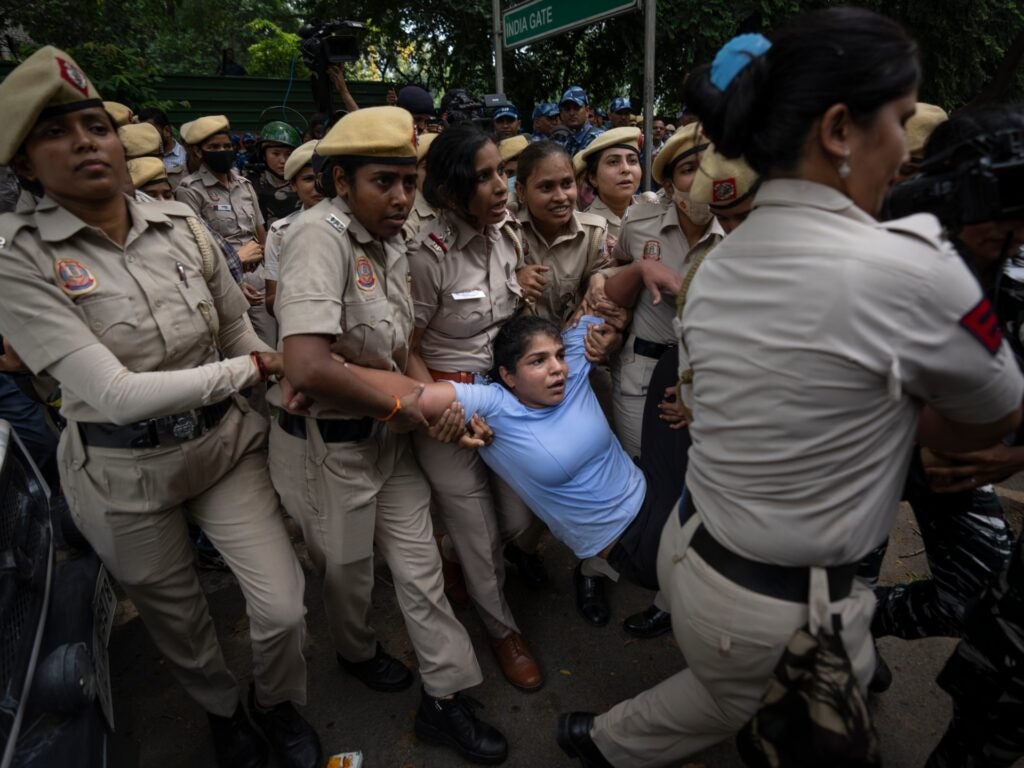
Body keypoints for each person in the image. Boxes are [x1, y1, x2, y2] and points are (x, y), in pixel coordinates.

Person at [556, 11, 1024, 767]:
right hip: (780, 605)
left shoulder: (719, 266)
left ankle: (602, 740)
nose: (908, 150)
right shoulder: (912, 268)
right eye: (901, 122)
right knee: (763, 710)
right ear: (840, 130)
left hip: (699, 552)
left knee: (721, 693)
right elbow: (980, 426)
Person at [0, 46, 322, 768]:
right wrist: (253, 367)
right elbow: (110, 392)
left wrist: (282, 384)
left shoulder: (177, 221)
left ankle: (276, 704)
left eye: (96, 125)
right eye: (56, 133)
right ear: (23, 164)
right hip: (122, 474)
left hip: (223, 450)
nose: (85, 141)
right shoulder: (15, 259)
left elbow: (238, 323)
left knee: (282, 606)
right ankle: (224, 714)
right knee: (181, 621)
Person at [268, 106, 508, 766]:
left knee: (421, 573)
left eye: (409, 180)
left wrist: (432, 403)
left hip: (388, 441)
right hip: (329, 449)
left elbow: (403, 348)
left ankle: (445, 697)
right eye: (384, 181)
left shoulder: (395, 239)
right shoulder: (319, 237)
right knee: (346, 578)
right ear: (341, 182)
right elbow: (309, 366)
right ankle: (356, 652)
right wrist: (415, 403)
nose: (402, 196)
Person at [340, 314, 680, 593]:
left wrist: (618, 285)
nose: (557, 368)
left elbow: (611, 298)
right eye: (537, 361)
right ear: (508, 377)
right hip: (631, 542)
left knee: (674, 360)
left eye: (558, 355)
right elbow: (417, 393)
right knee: (710, 572)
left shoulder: (573, 372)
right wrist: (330, 371)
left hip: (656, 488)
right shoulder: (496, 407)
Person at [870, 105, 1024, 646]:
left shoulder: (1012, 267)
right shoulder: (868, 247)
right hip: (860, 461)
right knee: (828, 587)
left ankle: (862, 624)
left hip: (954, 467)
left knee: (979, 597)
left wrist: (1013, 451)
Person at [407, 123, 542, 692]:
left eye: (501, 173)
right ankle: (502, 631)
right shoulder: (425, 253)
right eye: (483, 177)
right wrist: (439, 410)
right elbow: (404, 346)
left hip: (503, 398)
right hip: (448, 405)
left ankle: (455, 555)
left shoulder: (507, 235)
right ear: (449, 190)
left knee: (517, 519)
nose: (500, 186)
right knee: (481, 533)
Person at [603, 122, 724, 460]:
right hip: (641, 373)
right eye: (689, 169)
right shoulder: (639, 223)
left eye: (711, 165)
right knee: (642, 469)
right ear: (669, 185)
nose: (703, 177)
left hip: (711, 377)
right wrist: (638, 271)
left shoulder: (737, 229)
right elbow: (615, 269)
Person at [175, 114, 273, 344]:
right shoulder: (189, 190)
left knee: (270, 343)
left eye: (227, 145)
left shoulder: (244, 185)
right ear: (199, 152)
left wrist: (269, 275)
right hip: (224, 281)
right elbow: (196, 246)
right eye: (214, 147)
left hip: (258, 277)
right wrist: (236, 275)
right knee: (241, 348)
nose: (223, 150)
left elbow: (261, 231)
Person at [263, 139, 323, 318]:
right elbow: (270, 301)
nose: (317, 187)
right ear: (293, 185)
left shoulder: (352, 226)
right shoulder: (280, 231)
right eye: (308, 179)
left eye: (322, 179)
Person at [575, 126, 643, 245]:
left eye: (632, 161)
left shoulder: (651, 215)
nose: (626, 169)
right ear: (593, 178)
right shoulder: (583, 228)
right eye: (613, 162)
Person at [249, 120, 302, 224]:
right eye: (276, 154)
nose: (283, 161)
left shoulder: (305, 182)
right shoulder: (251, 183)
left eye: (289, 154)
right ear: (264, 155)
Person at [137, 107, 188, 188]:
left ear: (167, 131)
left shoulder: (187, 156)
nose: (145, 136)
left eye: (150, 131)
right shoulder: (138, 159)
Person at [402, 131, 437, 243]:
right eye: (426, 167)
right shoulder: (406, 218)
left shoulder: (451, 208)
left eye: (443, 166)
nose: (436, 173)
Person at [559, 86, 603, 155]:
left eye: (577, 108)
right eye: (567, 109)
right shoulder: (568, 139)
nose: (571, 113)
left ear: (587, 110)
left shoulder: (597, 139)